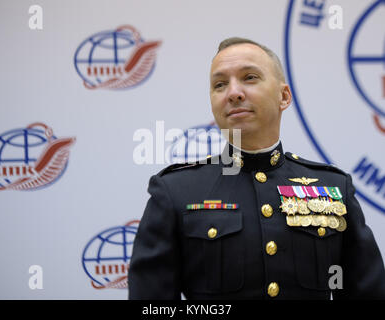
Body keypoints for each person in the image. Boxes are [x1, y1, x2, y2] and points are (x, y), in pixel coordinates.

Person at [128, 37, 385, 299]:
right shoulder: (176, 192)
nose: (233, 92)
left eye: (249, 77)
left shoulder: (332, 187)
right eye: (220, 84)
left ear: (283, 96)